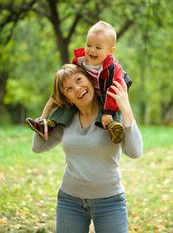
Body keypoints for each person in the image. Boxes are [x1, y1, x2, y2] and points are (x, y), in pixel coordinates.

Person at [31, 64, 143, 233]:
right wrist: (47, 110)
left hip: (109, 202)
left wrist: (125, 107)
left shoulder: (111, 117)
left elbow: (135, 152)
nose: (77, 89)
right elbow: (38, 147)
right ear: (67, 98)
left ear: (90, 81)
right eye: (69, 88)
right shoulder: (66, 119)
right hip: (70, 201)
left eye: (79, 80)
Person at [26, 21, 132, 144]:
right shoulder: (81, 61)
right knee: (69, 102)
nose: (92, 50)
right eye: (89, 45)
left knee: (113, 112)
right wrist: (53, 102)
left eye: (98, 47)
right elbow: (69, 79)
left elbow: (114, 90)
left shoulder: (112, 68)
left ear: (110, 51)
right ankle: (48, 124)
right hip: (88, 96)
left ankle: (114, 128)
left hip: (109, 98)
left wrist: (108, 112)